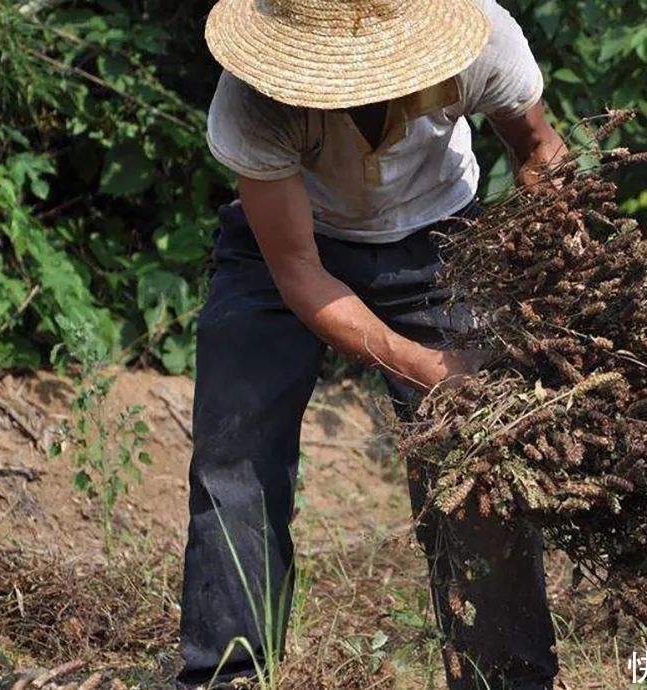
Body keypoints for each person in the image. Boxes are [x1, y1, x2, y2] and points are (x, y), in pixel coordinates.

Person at [178, 0, 569, 688]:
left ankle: (504, 676)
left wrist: (544, 279)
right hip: (285, 251)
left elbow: (539, 151)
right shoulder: (253, 101)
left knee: (474, 460)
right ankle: (228, 675)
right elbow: (298, 272)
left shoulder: (481, 41)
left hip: (442, 239)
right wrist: (425, 367)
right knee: (236, 453)